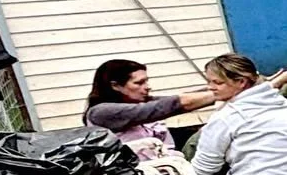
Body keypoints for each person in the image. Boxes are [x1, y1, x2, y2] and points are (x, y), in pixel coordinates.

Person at [83, 59, 217, 155]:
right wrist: (222, 92)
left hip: (168, 161)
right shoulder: (101, 112)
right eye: (139, 83)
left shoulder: (137, 101)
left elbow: (180, 98)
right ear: (115, 86)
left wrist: (219, 88)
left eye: (146, 81)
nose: (147, 87)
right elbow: (171, 105)